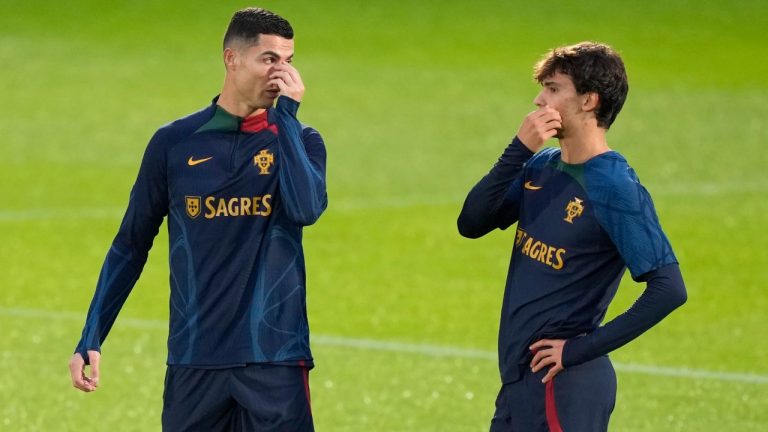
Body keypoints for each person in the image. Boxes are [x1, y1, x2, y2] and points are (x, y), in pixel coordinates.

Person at [68, 7, 326, 431]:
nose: (281, 74)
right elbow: (131, 243)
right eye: (269, 59)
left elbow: (306, 209)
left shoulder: (302, 141)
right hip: (194, 358)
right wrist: (92, 333)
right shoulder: (174, 144)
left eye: (289, 61)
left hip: (275, 359)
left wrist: (288, 118)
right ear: (231, 58)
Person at [457, 42, 687, 431]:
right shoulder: (542, 166)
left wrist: (579, 350)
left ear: (588, 101)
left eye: (552, 89)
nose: (538, 99)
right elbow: (471, 222)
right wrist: (518, 150)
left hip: (563, 386)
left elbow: (669, 288)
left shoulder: (615, 186)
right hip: (519, 381)